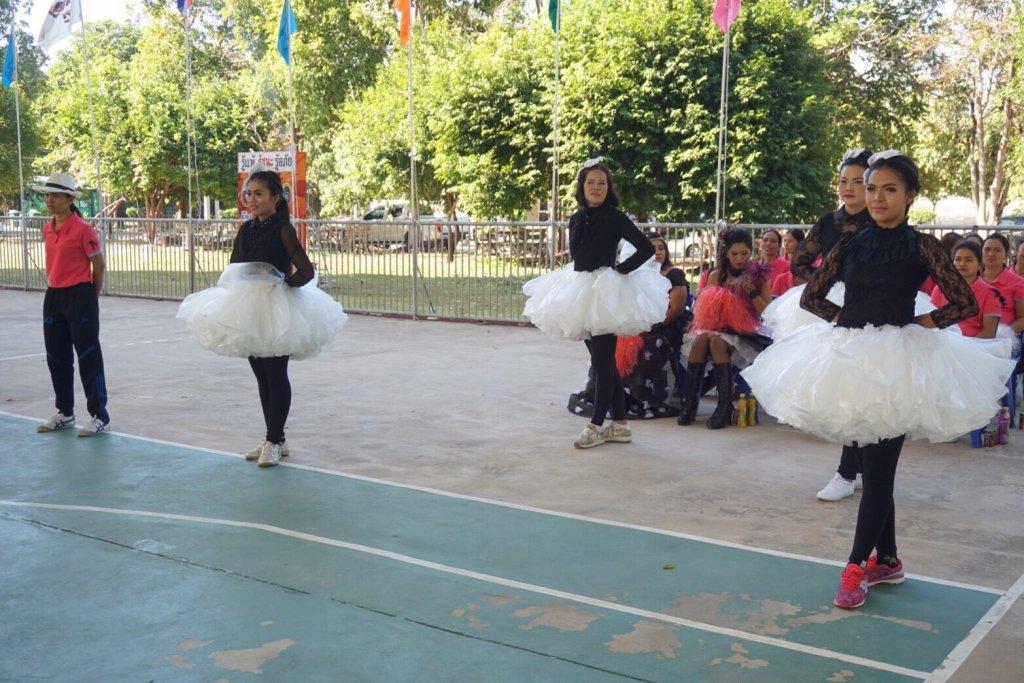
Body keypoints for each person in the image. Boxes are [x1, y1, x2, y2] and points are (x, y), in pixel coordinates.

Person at [742, 151, 1014, 609]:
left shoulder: (922, 246)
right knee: (873, 468)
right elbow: (811, 296)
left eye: (889, 189)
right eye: (871, 189)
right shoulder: (850, 243)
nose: (877, 198)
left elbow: (965, 303)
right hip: (852, 359)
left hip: (898, 364)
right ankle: (886, 559)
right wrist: (845, 318)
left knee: (879, 472)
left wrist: (923, 323)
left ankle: (854, 567)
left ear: (910, 196)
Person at [177, 170, 347, 467]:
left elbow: (306, 270)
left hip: (275, 307)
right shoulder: (246, 229)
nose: (252, 200)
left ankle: (273, 439)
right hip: (249, 307)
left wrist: (284, 287)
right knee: (261, 375)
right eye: (248, 194)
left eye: (258, 194)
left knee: (275, 373)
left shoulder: (283, 229)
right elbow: (235, 266)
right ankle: (275, 437)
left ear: (275, 198)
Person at [523, 158, 668, 449]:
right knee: (605, 364)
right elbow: (578, 255)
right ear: (582, 186)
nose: (596, 187)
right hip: (580, 288)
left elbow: (645, 248)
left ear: (608, 188)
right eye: (591, 182)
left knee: (602, 364)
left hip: (605, 292)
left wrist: (621, 271)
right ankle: (621, 424)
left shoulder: (614, 216)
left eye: (602, 183)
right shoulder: (575, 218)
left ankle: (597, 424)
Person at [567, 233, 690, 420]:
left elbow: (676, 309)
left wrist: (649, 327)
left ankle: (646, 396)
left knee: (651, 344)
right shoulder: (636, 274)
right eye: (653, 249)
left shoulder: (673, 274)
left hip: (666, 326)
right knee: (612, 343)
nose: (658, 252)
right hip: (639, 325)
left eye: (661, 248)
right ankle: (617, 394)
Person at [33, 173, 111, 437]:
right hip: (54, 296)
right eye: (47, 195)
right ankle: (65, 413)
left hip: (80, 296)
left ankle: (100, 416)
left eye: (56, 196)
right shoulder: (47, 228)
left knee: (88, 356)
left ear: (69, 199)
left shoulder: (83, 230)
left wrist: (91, 297)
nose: (50, 200)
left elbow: (99, 265)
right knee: (56, 357)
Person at [677, 229, 771, 429]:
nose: (739, 258)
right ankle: (690, 404)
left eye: (744, 253)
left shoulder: (759, 277)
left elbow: (768, 313)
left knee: (716, 342)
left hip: (747, 332)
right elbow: (708, 313)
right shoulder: (717, 276)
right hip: (718, 327)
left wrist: (752, 293)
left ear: (751, 252)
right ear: (726, 253)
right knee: (705, 339)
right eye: (734, 254)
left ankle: (724, 406)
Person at [790, 148, 875, 284]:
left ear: (870, 185)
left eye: (858, 181)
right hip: (828, 293)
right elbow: (798, 265)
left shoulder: (879, 222)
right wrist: (827, 280)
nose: (849, 187)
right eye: (844, 181)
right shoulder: (827, 221)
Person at [931, 241, 1000, 339]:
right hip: (943, 342)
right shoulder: (940, 289)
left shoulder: (990, 293)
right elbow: (931, 323)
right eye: (958, 259)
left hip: (977, 345)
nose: (962, 264)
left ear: (980, 265)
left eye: (968, 260)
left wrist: (964, 346)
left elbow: (989, 333)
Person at [980, 233, 1024, 355]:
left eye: (997, 250)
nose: (991, 254)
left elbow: (1022, 318)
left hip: (1003, 341)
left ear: (1007, 254)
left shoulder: (1018, 282)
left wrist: (1005, 334)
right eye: (987, 249)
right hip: (972, 335)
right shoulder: (972, 278)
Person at [770, 228, 806, 297]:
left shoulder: (808, 264)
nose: (786, 244)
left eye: (790, 241)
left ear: (800, 243)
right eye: (785, 240)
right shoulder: (777, 262)